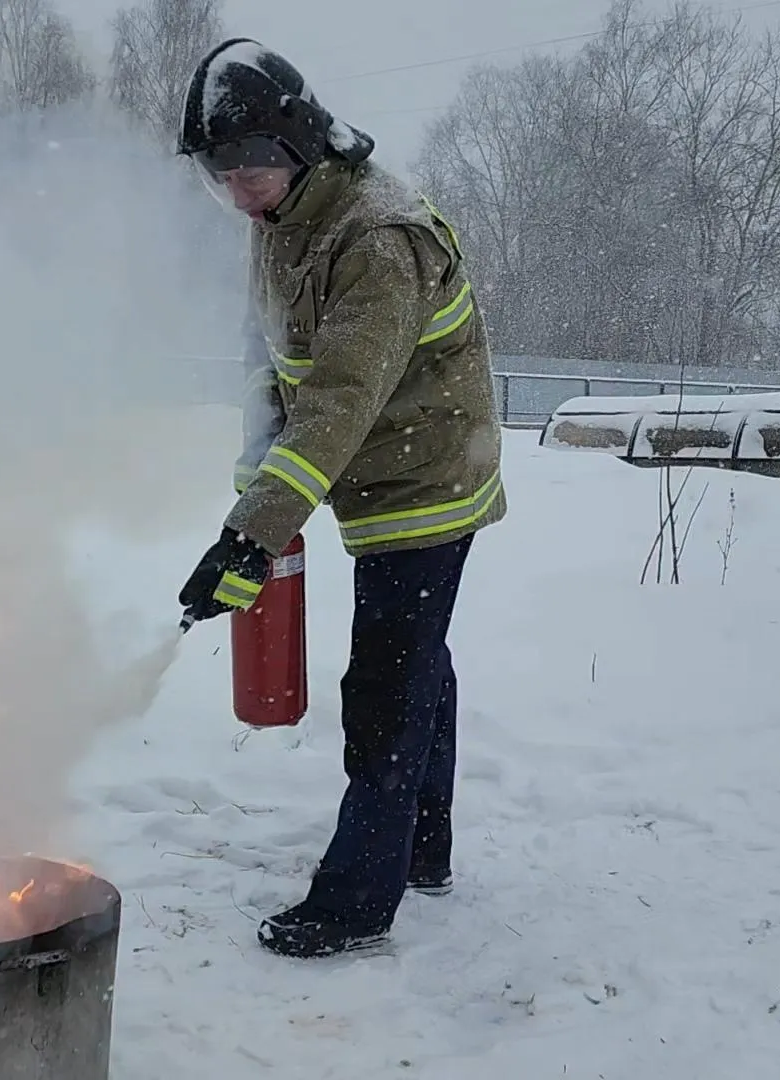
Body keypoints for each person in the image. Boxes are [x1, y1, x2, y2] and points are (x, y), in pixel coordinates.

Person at [173, 37, 507, 959]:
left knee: (386, 683)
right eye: (220, 174)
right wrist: (253, 517)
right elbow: (272, 364)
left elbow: (337, 400)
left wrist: (253, 535)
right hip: (366, 462)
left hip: (426, 475)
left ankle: (356, 902)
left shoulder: (376, 236)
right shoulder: (282, 221)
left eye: (247, 169)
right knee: (417, 660)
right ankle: (421, 850)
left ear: (296, 142)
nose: (236, 191)